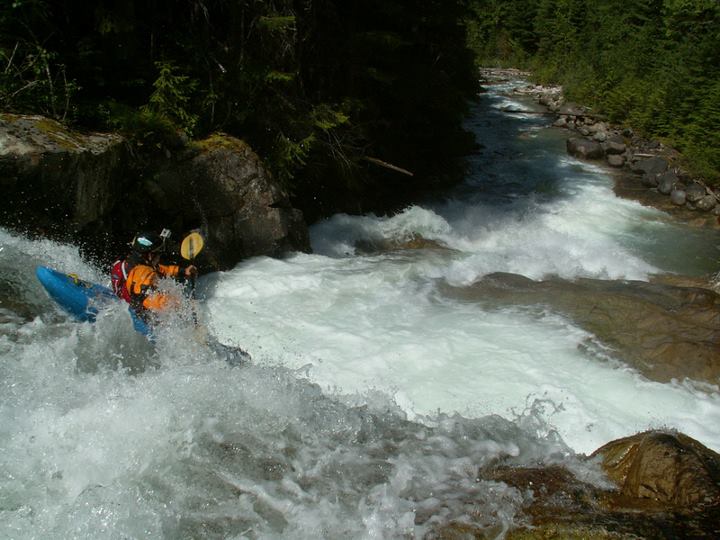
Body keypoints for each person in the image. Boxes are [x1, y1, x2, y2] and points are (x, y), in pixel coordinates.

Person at [112, 230, 197, 321]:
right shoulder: (143, 272)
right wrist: (180, 305)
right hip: (141, 317)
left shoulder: (130, 262)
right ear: (149, 255)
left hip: (125, 302)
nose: (159, 257)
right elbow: (148, 300)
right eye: (158, 254)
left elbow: (160, 270)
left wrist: (183, 271)